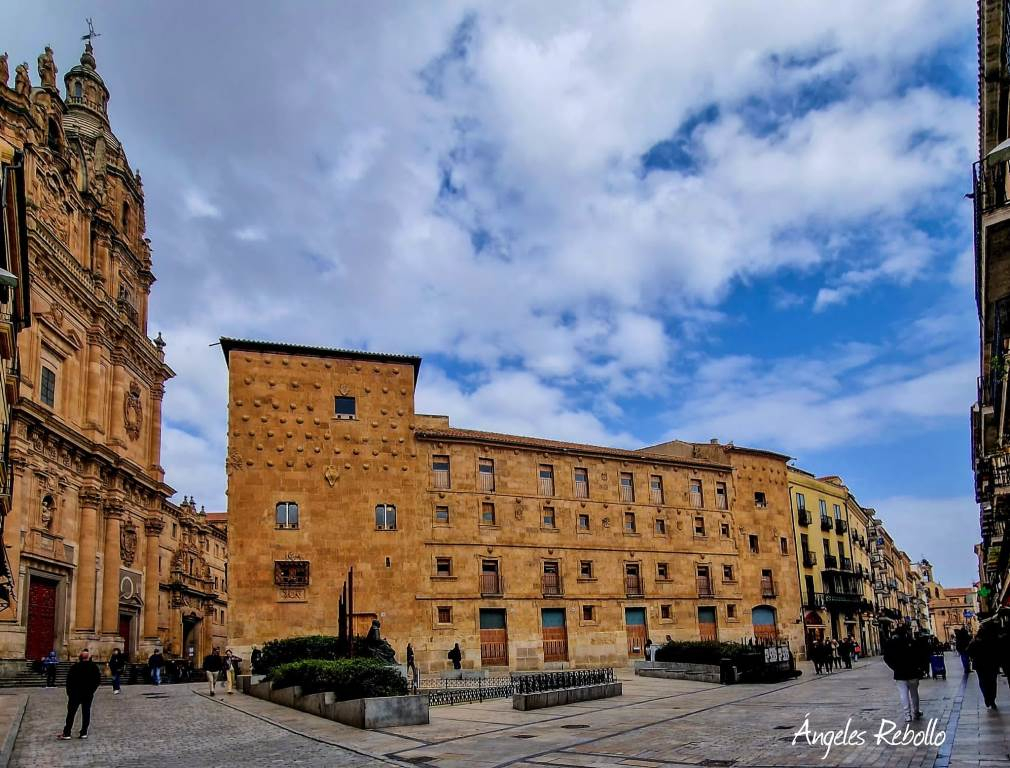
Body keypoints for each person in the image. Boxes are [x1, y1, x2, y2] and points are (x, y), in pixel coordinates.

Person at [884, 625, 923, 723]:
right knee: (914, 693)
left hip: (899, 673)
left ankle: (907, 715)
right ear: (906, 632)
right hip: (913, 671)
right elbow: (919, 655)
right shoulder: (912, 642)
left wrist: (894, 667)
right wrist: (919, 667)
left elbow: (886, 657)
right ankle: (916, 711)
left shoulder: (891, 643)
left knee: (903, 694)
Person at [60, 649, 101, 740]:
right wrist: (92, 690)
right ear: (89, 657)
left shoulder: (75, 667)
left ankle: (67, 733)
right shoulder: (94, 667)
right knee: (86, 713)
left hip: (75, 694)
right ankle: (84, 732)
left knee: (71, 713)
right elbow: (97, 680)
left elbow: (69, 681)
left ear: (80, 658)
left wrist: (70, 693)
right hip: (87, 694)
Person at [968, 622, 1001, 710]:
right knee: (992, 683)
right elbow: (999, 651)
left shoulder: (975, 641)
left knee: (983, 682)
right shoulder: (994, 639)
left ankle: (987, 697)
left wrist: (973, 657)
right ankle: (992, 699)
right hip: (992, 664)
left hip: (980, 665)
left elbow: (969, 651)